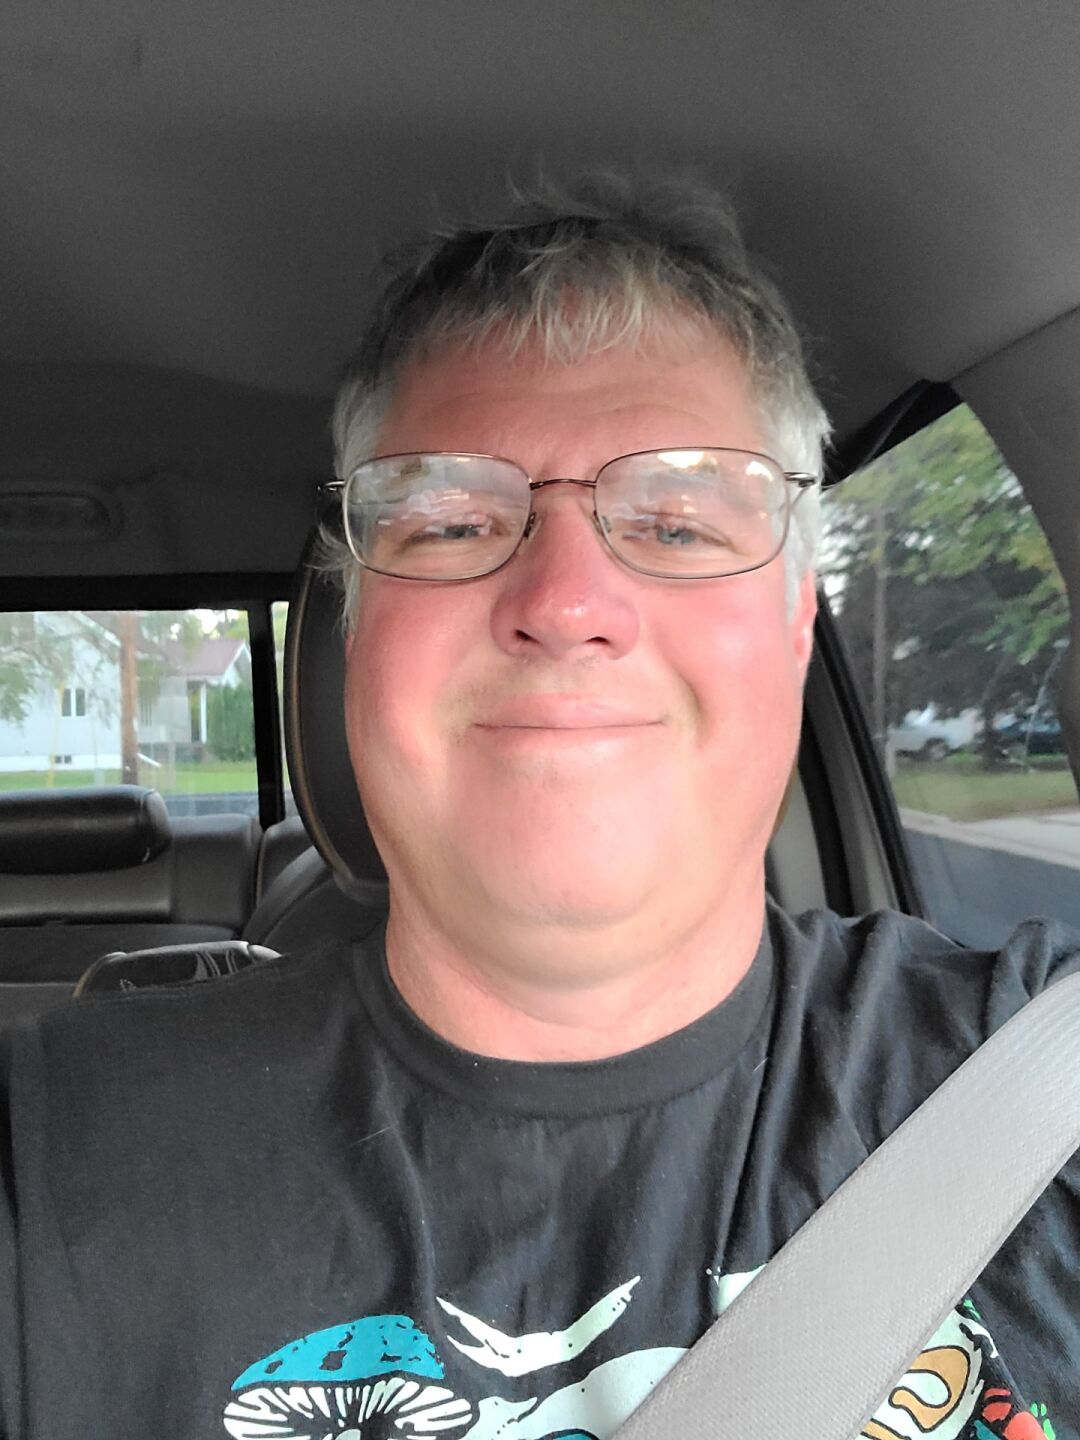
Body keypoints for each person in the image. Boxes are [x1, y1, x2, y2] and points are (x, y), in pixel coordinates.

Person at [2, 173, 1078, 1439]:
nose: (565, 602)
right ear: (358, 631)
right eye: (454, 522)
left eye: (676, 524)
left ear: (796, 619)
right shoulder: (55, 1155)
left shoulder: (1040, 1082)